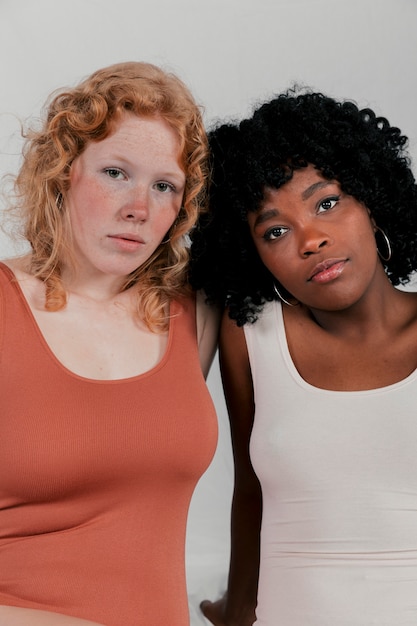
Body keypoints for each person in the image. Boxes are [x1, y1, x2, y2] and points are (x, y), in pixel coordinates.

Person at [0, 61, 219, 626]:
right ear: (63, 170)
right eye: (116, 173)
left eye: (163, 186)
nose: (138, 209)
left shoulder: (191, 314)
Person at [190, 89, 417, 625]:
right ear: (254, 256)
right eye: (276, 231)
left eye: (327, 203)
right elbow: (250, 489)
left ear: (371, 199)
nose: (310, 239)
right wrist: (236, 610)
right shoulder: (250, 333)